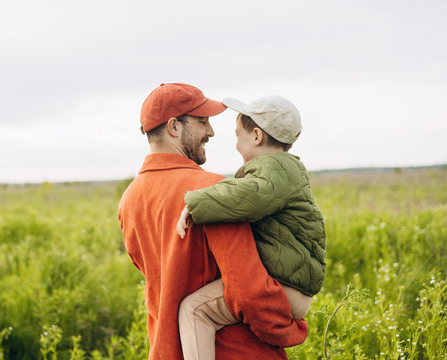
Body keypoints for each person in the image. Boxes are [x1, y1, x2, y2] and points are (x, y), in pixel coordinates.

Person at [118, 83, 308, 360]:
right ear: (174, 127)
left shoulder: (129, 200)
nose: (211, 131)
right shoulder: (214, 192)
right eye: (202, 122)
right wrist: (289, 329)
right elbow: (248, 290)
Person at [175, 95, 326, 360]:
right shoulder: (283, 169)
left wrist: (196, 204)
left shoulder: (274, 170)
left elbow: (252, 195)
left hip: (285, 288)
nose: (236, 144)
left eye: (237, 135)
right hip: (291, 285)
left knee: (194, 310)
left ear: (256, 136)